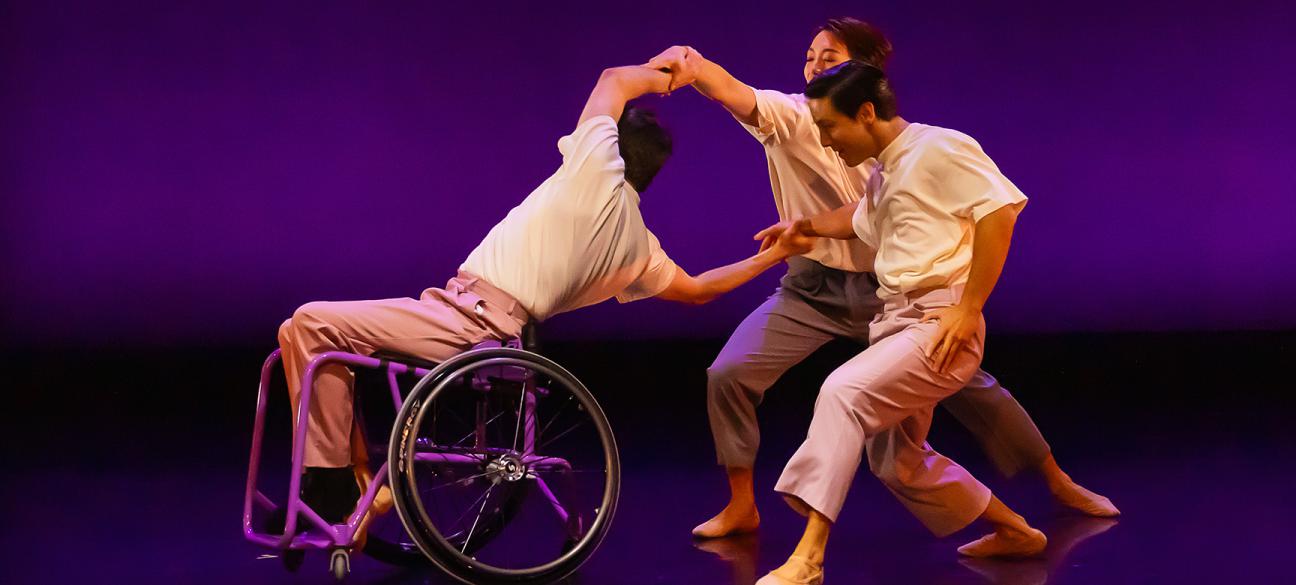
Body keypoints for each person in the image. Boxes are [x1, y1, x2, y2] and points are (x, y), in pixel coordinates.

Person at [273, 64, 817, 528]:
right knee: (298, 335)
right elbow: (699, 290)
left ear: (615, 149)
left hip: (470, 320)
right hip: (465, 314)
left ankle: (326, 486)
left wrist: (674, 71)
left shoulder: (595, 172)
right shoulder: (638, 246)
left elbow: (613, 80)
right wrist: (772, 255)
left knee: (312, 321)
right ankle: (341, 483)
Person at [644, 18, 1116, 541]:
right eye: (810, 57)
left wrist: (967, 306)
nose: (815, 67)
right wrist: (690, 64)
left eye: (831, 58)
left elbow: (979, 211)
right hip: (813, 289)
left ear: (868, 81)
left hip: (887, 294)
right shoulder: (798, 116)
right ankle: (743, 507)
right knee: (730, 374)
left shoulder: (903, 145)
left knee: (971, 388)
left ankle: (1056, 482)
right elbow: (734, 93)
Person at [752, 61, 1049, 584]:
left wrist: (969, 305)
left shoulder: (939, 147)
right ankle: (1016, 531)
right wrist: (803, 227)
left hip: (939, 325)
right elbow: (858, 216)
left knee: (843, 392)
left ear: (866, 113)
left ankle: (808, 559)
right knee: (897, 462)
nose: (824, 140)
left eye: (828, 127)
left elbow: (999, 213)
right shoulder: (887, 170)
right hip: (898, 322)